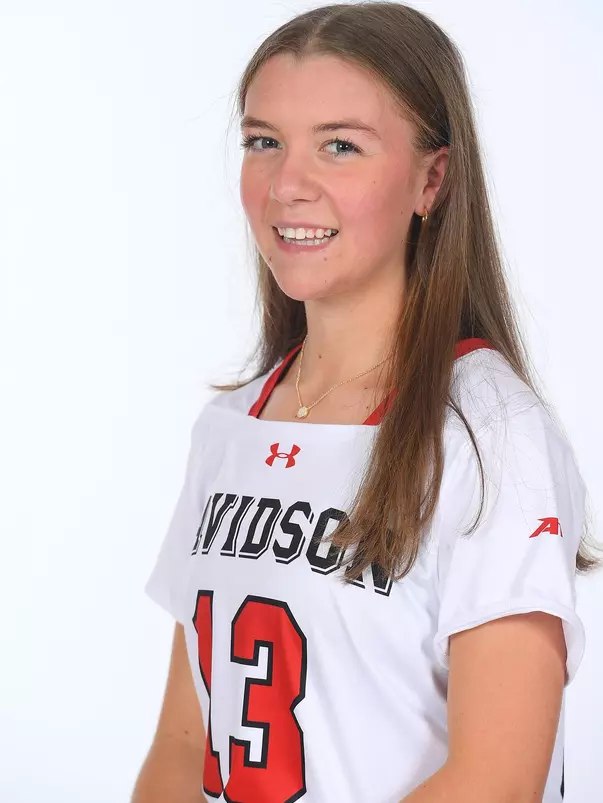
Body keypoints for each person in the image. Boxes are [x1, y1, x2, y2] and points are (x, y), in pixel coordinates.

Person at [131, 3, 602, 802]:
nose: (287, 184)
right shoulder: (228, 429)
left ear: (431, 179)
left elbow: (496, 780)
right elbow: (184, 740)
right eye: (262, 142)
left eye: (339, 146)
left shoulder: (489, 434)